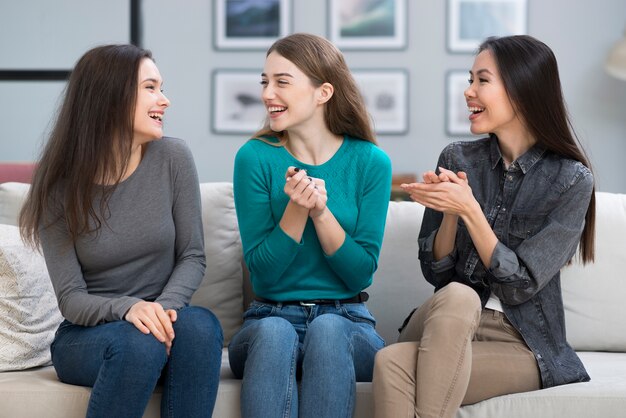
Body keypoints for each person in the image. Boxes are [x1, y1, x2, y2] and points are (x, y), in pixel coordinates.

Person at [372, 35, 596, 418]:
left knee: (391, 364)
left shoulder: (571, 180)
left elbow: (521, 286)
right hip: (446, 319)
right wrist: (451, 213)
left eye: (482, 80)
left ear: (523, 89)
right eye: (469, 79)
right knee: (460, 295)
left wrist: (471, 211)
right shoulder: (458, 158)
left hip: (519, 340)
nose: (468, 91)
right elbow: (437, 275)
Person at [19, 44, 223, 418]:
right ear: (110, 97)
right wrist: (130, 308)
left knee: (202, 327)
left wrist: (159, 314)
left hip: (169, 321)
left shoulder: (174, 159)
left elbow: (192, 256)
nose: (165, 100)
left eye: (161, 87)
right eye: (151, 87)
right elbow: (71, 298)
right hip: (89, 337)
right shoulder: (58, 186)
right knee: (139, 344)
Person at [228, 33, 392, 418]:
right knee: (275, 332)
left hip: (348, 320)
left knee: (329, 329)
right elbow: (264, 278)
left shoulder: (371, 162)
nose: (268, 93)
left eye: (282, 82)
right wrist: (297, 209)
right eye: (265, 82)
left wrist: (321, 213)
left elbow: (359, 275)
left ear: (323, 92)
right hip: (268, 317)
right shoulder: (254, 158)